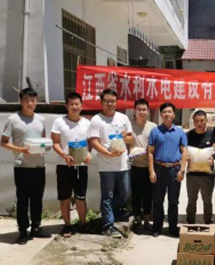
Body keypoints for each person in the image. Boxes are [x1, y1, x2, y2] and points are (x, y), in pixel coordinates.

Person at [0, 88, 51, 245]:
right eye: (27, 100)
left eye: (33, 100)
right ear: (21, 101)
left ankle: (36, 227)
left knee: (37, 199)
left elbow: (42, 141)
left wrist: (45, 147)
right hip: (22, 166)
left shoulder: (41, 120)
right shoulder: (13, 120)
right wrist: (21, 150)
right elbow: (3, 142)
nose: (30, 103)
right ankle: (23, 231)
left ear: (36, 101)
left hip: (39, 165)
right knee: (23, 200)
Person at [88, 89, 134, 238]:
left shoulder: (123, 118)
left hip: (122, 163)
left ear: (116, 102)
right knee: (107, 196)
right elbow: (93, 141)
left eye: (113, 101)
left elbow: (130, 138)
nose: (110, 104)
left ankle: (114, 215)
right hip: (106, 164)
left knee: (125, 193)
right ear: (101, 102)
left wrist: (124, 137)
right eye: (107, 101)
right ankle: (107, 226)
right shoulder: (96, 120)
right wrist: (107, 153)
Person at [51, 92, 92, 237]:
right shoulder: (59, 122)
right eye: (71, 104)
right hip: (64, 166)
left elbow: (91, 142)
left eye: (77, 104)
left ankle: (83, 223)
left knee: (81, 197)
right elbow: (55, 143)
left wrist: (89, 153)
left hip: (81, 166)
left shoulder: (87, 123)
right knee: (65, 197)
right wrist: (64, 156)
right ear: (66, 106)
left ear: (81, 106)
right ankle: (67, 225)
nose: (74, 107)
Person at [148, 102, 187, 237]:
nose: (167, 114)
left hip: (174, 169)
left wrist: (182, 170)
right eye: (164, 112)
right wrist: (151, 171)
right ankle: (157, 227)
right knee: (158, 200)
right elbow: (150, 152)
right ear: (161, 114)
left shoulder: (180, 132)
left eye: (169, 111)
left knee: (173, 201)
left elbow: (184, 152)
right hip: (159, 168)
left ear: (174, 114)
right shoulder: (155, 131)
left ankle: (172, 227)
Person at [130, 99, 157, 231]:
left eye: (144, 110)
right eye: (139, 109)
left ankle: (147, 221)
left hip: (149, 167)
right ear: (134, 111)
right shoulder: (129, 126)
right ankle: (137, 221)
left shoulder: (153, 127)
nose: (142, 112)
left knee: (148, 195)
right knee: (136, 195)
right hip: (134, 166)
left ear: (148, 111)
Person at [185, 110, 215, 224]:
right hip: (192, 174)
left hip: (208, 174)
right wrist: (185, 157)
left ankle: (208, 221)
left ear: (206, 120)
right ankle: (190, 222)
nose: (199, 123)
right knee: (191, 200)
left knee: (207, 200)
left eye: (202, 121)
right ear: (193, 121)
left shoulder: (212, 134)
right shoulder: (188, 135)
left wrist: (214, 157)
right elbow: (182, 150)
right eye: (197, 121)